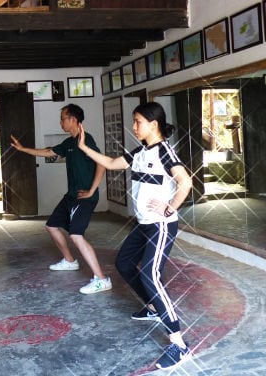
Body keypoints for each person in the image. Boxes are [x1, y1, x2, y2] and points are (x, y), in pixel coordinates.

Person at [76, 102, 193, 371]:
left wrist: (170, 206)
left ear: (153, 124)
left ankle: (179, 344)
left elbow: (185, 182)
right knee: (124, 264)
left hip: (160, 225)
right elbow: (111, 163)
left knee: (150, 275)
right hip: (143, 224)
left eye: (138, 121)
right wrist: (83, 147)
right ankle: (153, 307)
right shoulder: (141, 151)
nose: (134, 126)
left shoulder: (164, 151)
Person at [10, 104, 109, 294]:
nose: (60, 121)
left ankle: (101, 279)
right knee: (51, 226)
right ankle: (70, 261)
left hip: (84, 198)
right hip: (71, 195)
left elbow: (102, 164)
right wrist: (23, 149)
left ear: (73, 120)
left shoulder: (86, 140)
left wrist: (91, 190)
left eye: (63, 118)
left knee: (76, 235)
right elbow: (49, 152)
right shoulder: (69, 142)